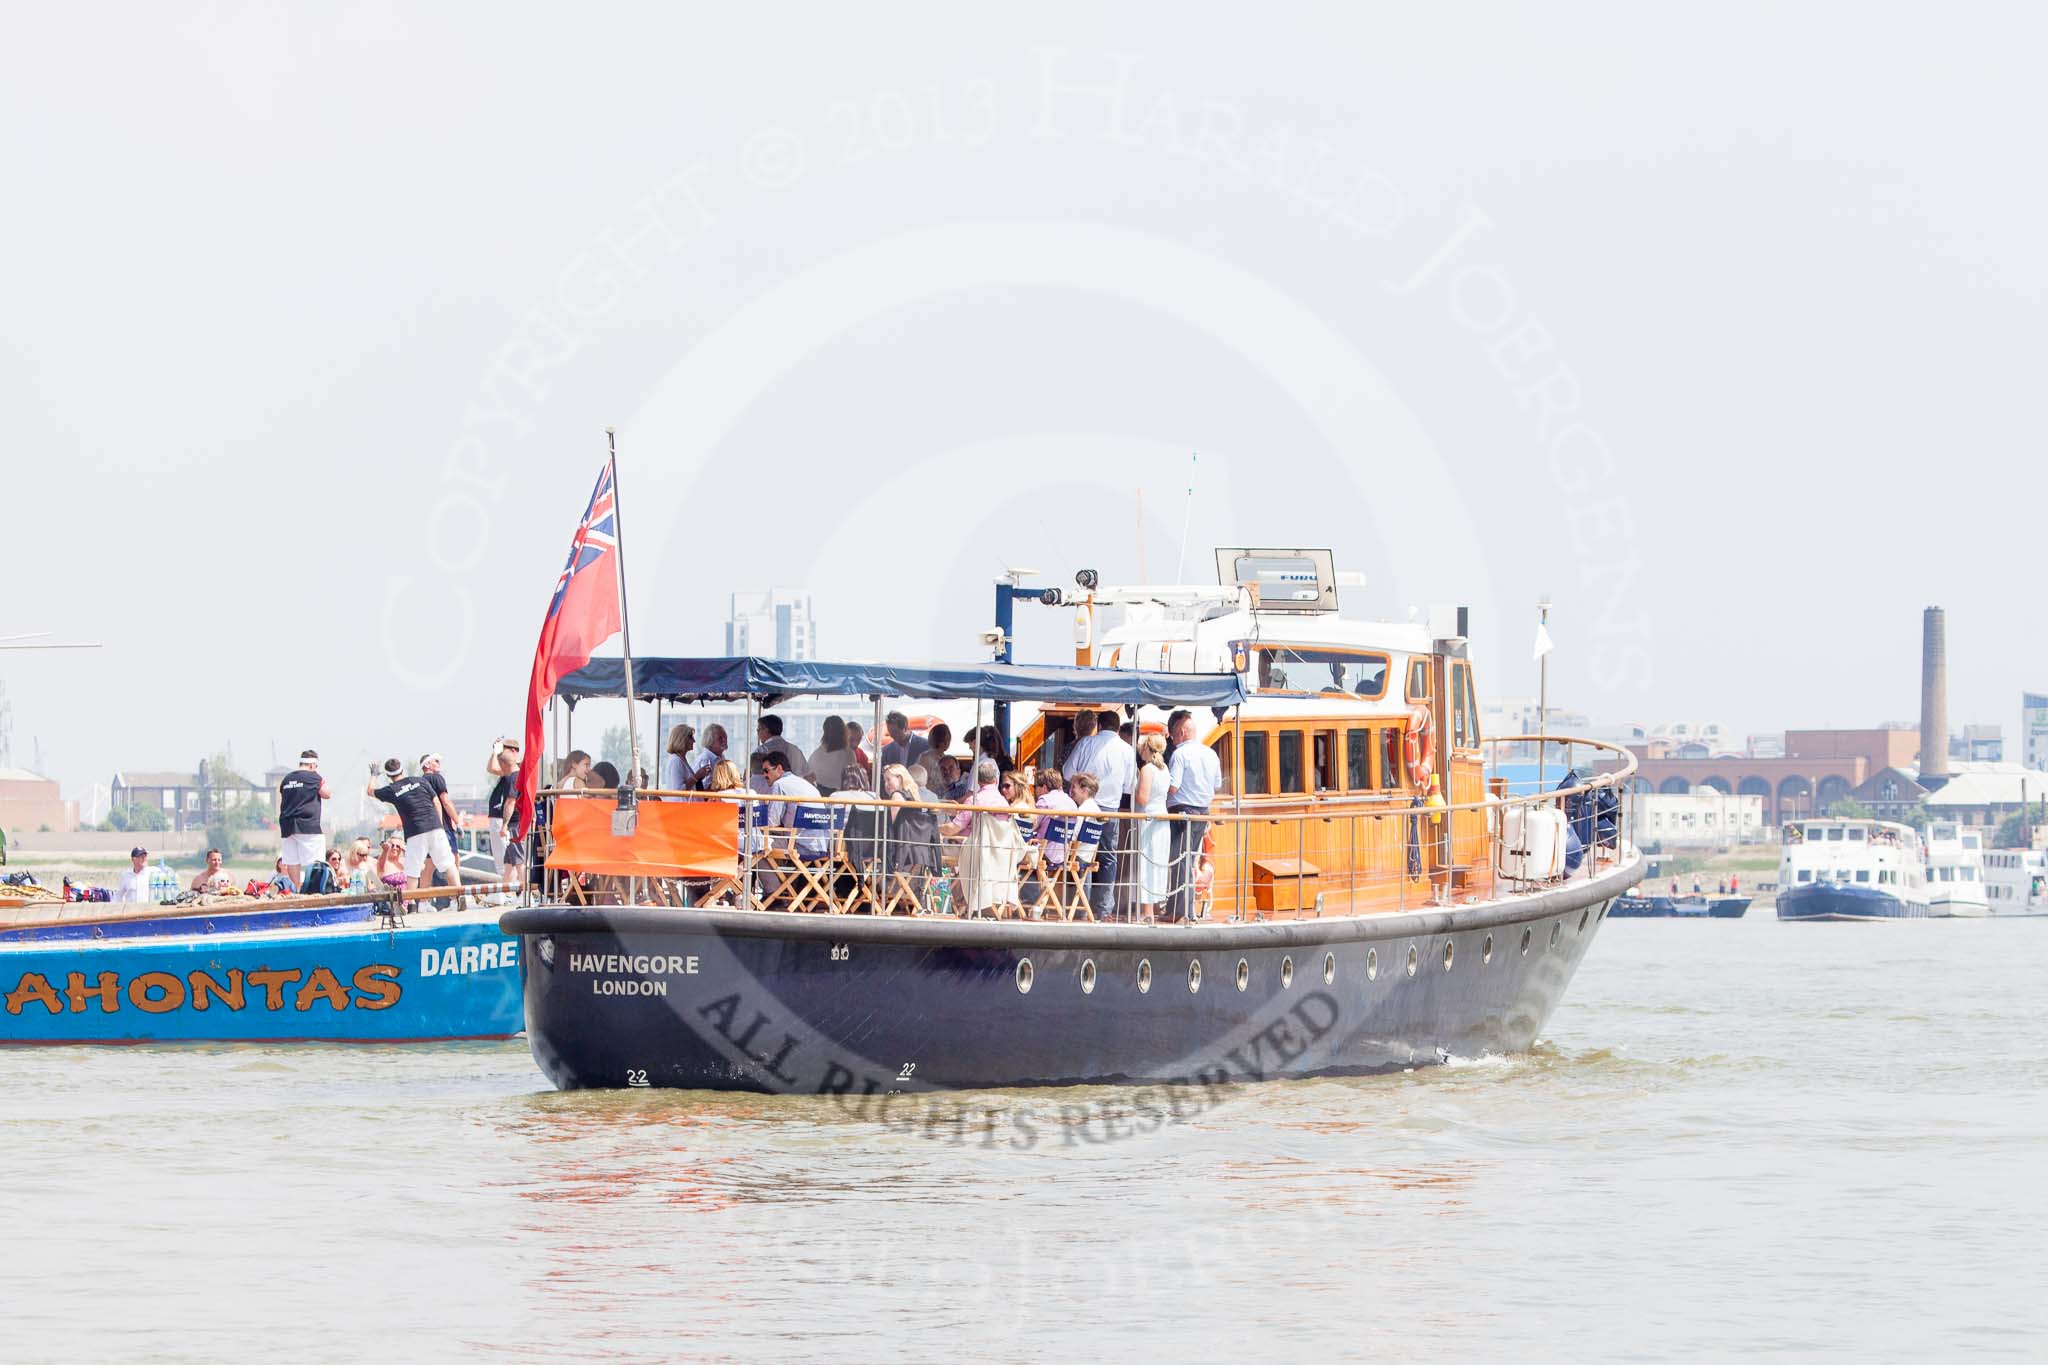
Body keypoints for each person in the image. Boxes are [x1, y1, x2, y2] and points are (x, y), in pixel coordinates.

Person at [1065, 709, 1137, 918]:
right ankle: (1103, 908)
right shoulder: (1126, 750)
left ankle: (1080, 908)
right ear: (1116, 727)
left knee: (1082, 855)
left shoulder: (1086, 743)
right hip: (1110, 810)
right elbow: (1129, 786)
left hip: (1086, 806)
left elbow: (1068, 772)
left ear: (1100, 725)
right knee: (1107, 857)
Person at [1165, 709, 1221, 922]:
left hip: (1182, 811)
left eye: (1173, 735)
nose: (1173, 740)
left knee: (1180, 860)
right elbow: (1216, 785)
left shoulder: (1180, 754)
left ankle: (1182, 913)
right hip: (1202, 812)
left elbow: (1173, 787)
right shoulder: (1210, 754)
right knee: (1187, 859)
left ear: (1180, 733)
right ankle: (1177, 909)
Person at [947, 758, 1023, 916]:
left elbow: (953, 828)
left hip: (974, 852)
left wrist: (936, 829)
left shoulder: (974, 800)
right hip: (1000, 856)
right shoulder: (1003, 803)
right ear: (996, 779)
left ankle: (954, 903)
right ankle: (977, 903)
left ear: (978, 781)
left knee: (936, 853)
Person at [368, 758, 457, 890]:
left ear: (388, 776)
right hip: (435, 828)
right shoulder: (420, 780)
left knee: (413, 871)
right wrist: (439, 824)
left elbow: (370, 791)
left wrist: (374, 775)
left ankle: (411, 905)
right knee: (449, 864)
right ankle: (459, 895)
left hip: (415, 832)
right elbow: (436, 802)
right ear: (402, 769)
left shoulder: (391, 790)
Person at [882, 762, 941, 892]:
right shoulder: (914, 796)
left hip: (900, 849)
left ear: (900, 778)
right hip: (918, 850)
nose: (886, 784)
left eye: (888, 779)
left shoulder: (896, 796)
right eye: (884, 780)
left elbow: (892, 826)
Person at [276, 749, 331, 888]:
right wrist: (318, 776)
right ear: (313, 765)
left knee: (292, 861)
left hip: (287, 825)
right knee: (315, 862)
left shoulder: (287, 778)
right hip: (308, 825)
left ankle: (296, 889)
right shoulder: (314, 777)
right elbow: (327, 793)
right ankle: (313, 890)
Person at [759, 752, 829, 860]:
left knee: (755, 844)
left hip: (799, 846)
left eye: (766, 770)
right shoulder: (807, 785)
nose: (764, 775)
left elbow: (771, 822)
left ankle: (773, 877)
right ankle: (786, 876)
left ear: (779, 768)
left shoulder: (779, 784)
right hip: (822, 846)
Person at [1134, 733, 1171, 919]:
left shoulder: (1148, 769)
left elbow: (1142, 798)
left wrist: (1135, 786)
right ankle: (1156, 907)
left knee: (1147, 862)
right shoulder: (1165, 769)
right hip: (1162, 819)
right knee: (1158, 863)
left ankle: (1147, 911)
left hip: (1149, 820)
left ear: (1147, 748)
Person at [419, 753, 465, 886]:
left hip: (427, 828)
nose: (439, 764)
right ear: (427, 765)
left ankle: (423, 901)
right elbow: (445, 801)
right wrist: (457, 822)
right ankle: (456, 895)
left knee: (429, 865)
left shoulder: (419, 781)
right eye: (436, 761)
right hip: (443, 827)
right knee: (454, 860)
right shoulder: (436, 778)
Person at [486, 739, 521, 876]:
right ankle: (508, 891)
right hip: (501, 816)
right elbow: (491, 768)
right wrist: (494, 753)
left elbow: (493, 768)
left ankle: (519, 891)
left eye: (503, 750)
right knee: (508, 861)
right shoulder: (510, 771)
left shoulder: (514, 769)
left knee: (514, 861)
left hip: (506, 818)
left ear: (512, 751)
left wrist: (496, 753)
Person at [808, 715, 862, 794]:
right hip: (840, 799)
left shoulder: (815, 755)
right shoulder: (849, 754)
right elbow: (852, 782)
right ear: (844, 732)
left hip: (818, 798)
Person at [690, 725, 732, 790]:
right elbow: (703, 788)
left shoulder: (721, 757)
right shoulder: (705, 760)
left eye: (725, 737)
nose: (724, 740)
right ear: (710, 741)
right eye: (720, 738)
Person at [660, 725, 698, 792]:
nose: (694, 741)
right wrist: (697, 776)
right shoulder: (676, 761)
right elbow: (678, 789)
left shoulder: (681, 760)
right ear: (682, 739)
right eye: (691, 737)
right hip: (680, 802)